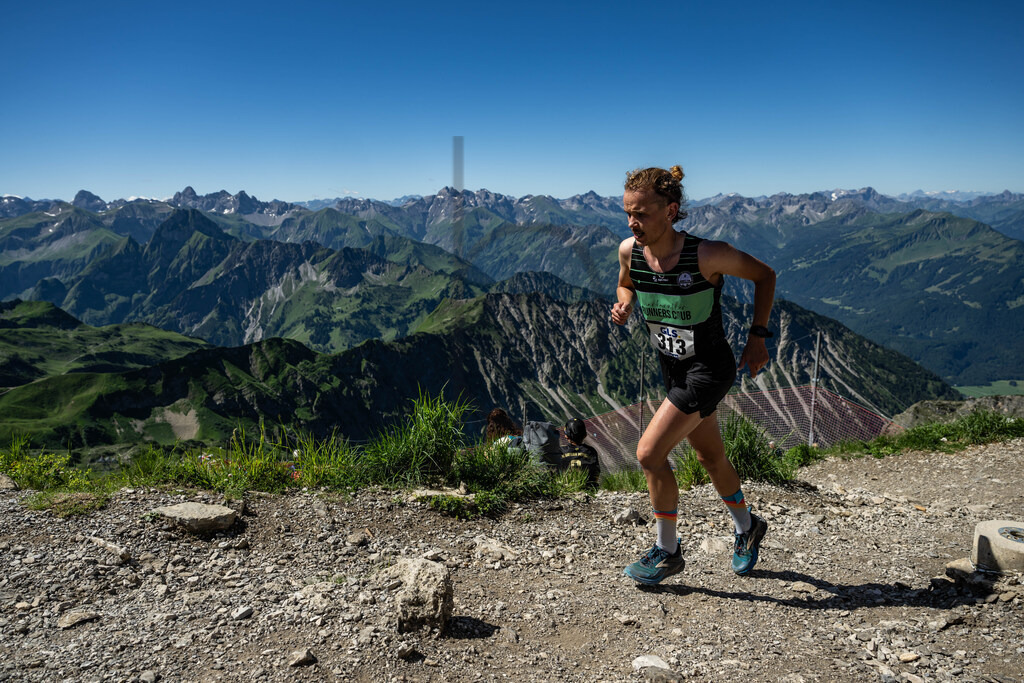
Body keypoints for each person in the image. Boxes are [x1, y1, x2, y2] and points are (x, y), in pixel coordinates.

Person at [611, 165, 776, 585]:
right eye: (628, 213)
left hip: (709, 369)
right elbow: (626, 284)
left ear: (671, 211)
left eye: (643, 213)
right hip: (673, 368)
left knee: (648, 454)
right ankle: (747, 526)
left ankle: (667, 551)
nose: (634, 222)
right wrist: (626, 302)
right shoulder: (629, 250)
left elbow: (765, 275)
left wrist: (757, 336)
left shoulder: (706, 254)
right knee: (709, 457)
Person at [561, 417, 600, 485]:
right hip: (588, 487)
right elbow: (596, 472)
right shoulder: (590, 451)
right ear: (585, 435)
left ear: (566, 436)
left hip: (566, 486)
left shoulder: (561, 451)